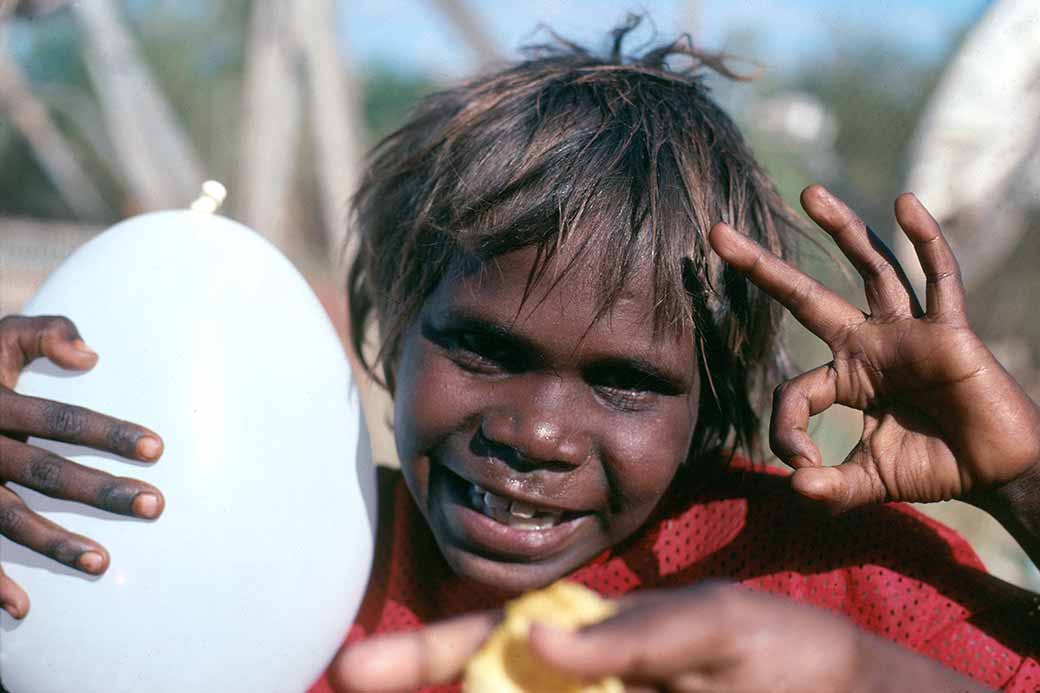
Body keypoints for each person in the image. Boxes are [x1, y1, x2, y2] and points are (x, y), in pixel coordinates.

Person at [1, 19, 1038, 692]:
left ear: (710, 396)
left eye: (626, 381)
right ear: (394, 326)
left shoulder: (813, 580)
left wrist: (1022, 491)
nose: (535, 434)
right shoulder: (274, 553)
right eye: (484, 350)